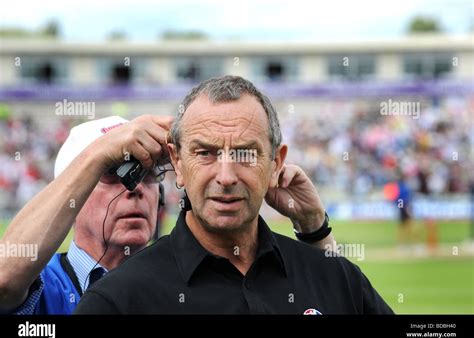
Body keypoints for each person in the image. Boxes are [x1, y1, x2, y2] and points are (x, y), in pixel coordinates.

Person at [75, 75, 393, 314]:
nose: (226, 177)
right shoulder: (117, 300)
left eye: (245, 154)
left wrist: (315, 229)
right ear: (177, 162)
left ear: (276, 163)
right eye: (205, 153)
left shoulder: (336, 277)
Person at [0, 112, 334, 314]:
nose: (133, 189)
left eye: (148, 175)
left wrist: (312, 227)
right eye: (110, 174)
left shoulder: (196, 277)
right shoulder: (46, 286)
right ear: (70, 192)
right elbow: (3, 279)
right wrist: (99, 152)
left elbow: (330, 304)